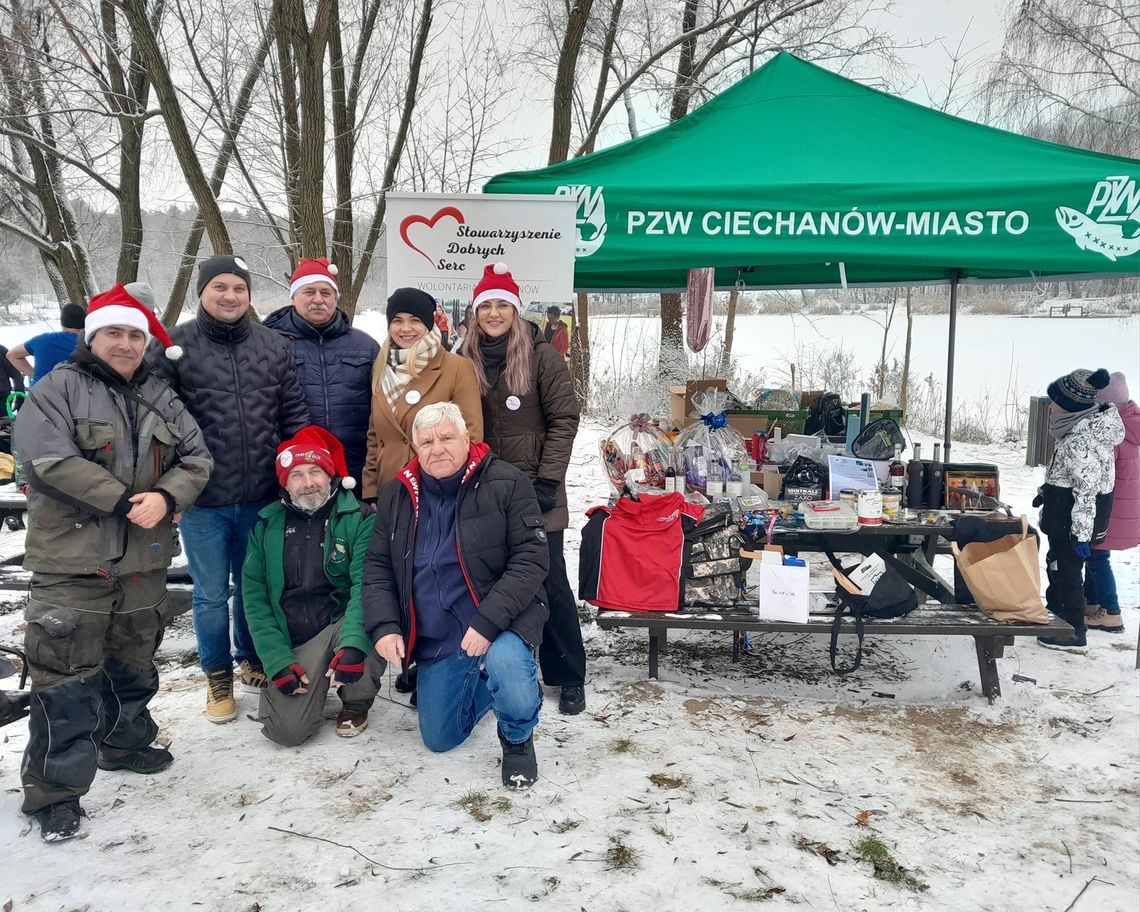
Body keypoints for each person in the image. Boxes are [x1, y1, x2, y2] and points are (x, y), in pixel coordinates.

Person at [15, 283, 212, 842]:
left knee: (134, 663)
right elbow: (47, 461)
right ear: (93, 337)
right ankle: (54, 792)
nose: (125, 344)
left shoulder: (161, 396)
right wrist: (126, 500)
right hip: (72, 561)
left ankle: (124, 743)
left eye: (133, 334)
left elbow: (197, 456)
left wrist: (168, 495)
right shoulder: (57, 390)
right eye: (114, 334)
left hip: (144, 561)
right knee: (66, 679)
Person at [148, 254, 309, 723]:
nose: (230, 296)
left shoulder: (272, 345)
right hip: (203, 500)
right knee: (211, 594)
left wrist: (296, 469)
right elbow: (156, 424)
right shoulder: (174, 346)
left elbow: (293, 414)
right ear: (202, 291)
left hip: (261, 493)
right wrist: (170, 490)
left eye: (238, 288)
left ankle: (252, 658)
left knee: (253, 587)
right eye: (220, 287)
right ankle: (216, 675)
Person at [363, 402, 549, 789]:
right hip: (440, 634)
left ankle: (516, 735)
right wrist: (384, 626)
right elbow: (377, 567)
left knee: (509, 665)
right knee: (439, 738)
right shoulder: (397, 494)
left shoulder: (507, 481)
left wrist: (487, 622)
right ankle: (484, 684)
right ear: (416, 448)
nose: (437, 448)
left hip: (500, 620)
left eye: (447, 437)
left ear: (467, 438)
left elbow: (531, 560)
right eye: (427, 441)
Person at [461, 263, 586, 715]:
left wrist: (548, 482)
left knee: (548, 579)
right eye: (486, 306)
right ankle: (495, 668)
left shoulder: (542, 356)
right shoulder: (463, 357)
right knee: (489, 582)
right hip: (481, 491)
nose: (493, 314)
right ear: (476, 314)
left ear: (516, 311)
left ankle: (568, 674)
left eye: (502, 305)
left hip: (536, 489)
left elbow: (564, 420)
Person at [242, 426, 386, 745]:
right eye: (297, 475)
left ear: (329, 475)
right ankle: (310, 682)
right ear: (285, 482)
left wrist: (352, 644)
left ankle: (356, 701)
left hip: (340, 624)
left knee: (372, 629)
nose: (308, 483)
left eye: (316, 472)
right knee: (286, 733)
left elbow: (367, 584)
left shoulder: (358, 518)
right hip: (295, 638)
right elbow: (255, 601)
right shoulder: (265, 527)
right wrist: (277, 661)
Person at [264, 257, 380, 487]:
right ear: (293, 297)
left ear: (335, 298)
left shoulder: (364, 346)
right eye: (309, 292)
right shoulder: (269, 343)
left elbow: (381, 410)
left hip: (354, 468)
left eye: (326, 293)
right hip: (296, 472)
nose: (318, 299)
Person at [361, 287, 483, 501]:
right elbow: (375, 439)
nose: (405, 328)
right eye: (397, 320)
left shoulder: (456, 368)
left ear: (428, 324)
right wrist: (371, 492)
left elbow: (471, 435)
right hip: (390, 490)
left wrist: (455, 490)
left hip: (438, 491)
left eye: (415, 320)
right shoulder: (381, 369)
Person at [1035, 368, 1125, 651]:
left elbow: (1086, 492)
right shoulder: (1080, 429)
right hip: (1065, 516)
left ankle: (1073, 630)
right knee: (1057, 566)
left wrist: (1081, 536)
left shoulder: (1080, 440)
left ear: (1071, 404)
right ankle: (1058, 615)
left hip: (1072, 522)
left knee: (1067, 572)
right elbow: (1070, 476)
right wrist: (1045, 492)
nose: (1050, 406)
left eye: (1055, 401)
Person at [1084, 372, 1138, 633]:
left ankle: (1111, 611)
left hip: (1110, 508)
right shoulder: (1133, 426)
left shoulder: (1114, 433)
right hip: (1126, 507)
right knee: (1095, 553)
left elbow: (1100, 475)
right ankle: (1092, 604)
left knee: (1097, 555)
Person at [7, 303, 86, 384]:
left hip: (39, 393)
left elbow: (11, 355)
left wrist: (34, 375)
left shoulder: (42, 340)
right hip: (73, 394)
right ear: (84, 323)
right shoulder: (88, 344)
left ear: (62, 323)